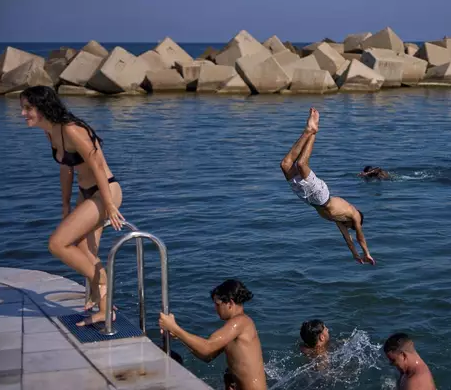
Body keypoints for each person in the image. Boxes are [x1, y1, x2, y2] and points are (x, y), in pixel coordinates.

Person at [19, 85, 124, 327]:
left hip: (104, 190)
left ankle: (102, 282)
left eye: (28, 108)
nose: (23, 113)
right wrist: (65, 205)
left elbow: (97, 164)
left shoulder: (71, 129)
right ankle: (105, 308)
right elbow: (66, 167)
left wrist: (108, 205)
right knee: (86, 252)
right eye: (23, 109)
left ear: (43, 108)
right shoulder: (51, 132)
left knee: (57, 244)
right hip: (85, 192)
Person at [280, 108, 375, 265]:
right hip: (321, 196)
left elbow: (348, 239)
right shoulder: (355, 214)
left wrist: (355, 255)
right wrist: (367, 253)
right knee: (301, 164)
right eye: (352, 227)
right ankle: (311, 131)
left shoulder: (339, 220)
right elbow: (359, 236)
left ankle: (312, 131)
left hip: (308, 198)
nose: (350, 228)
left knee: (285, 164)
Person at [159, 279, 266, 390]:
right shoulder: (234, 327)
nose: (215, 308)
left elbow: (207, 347)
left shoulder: (241, 322)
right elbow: (207, 356)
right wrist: (178, 337)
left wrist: (174, 328)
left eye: (217, 304)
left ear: (230, 303)